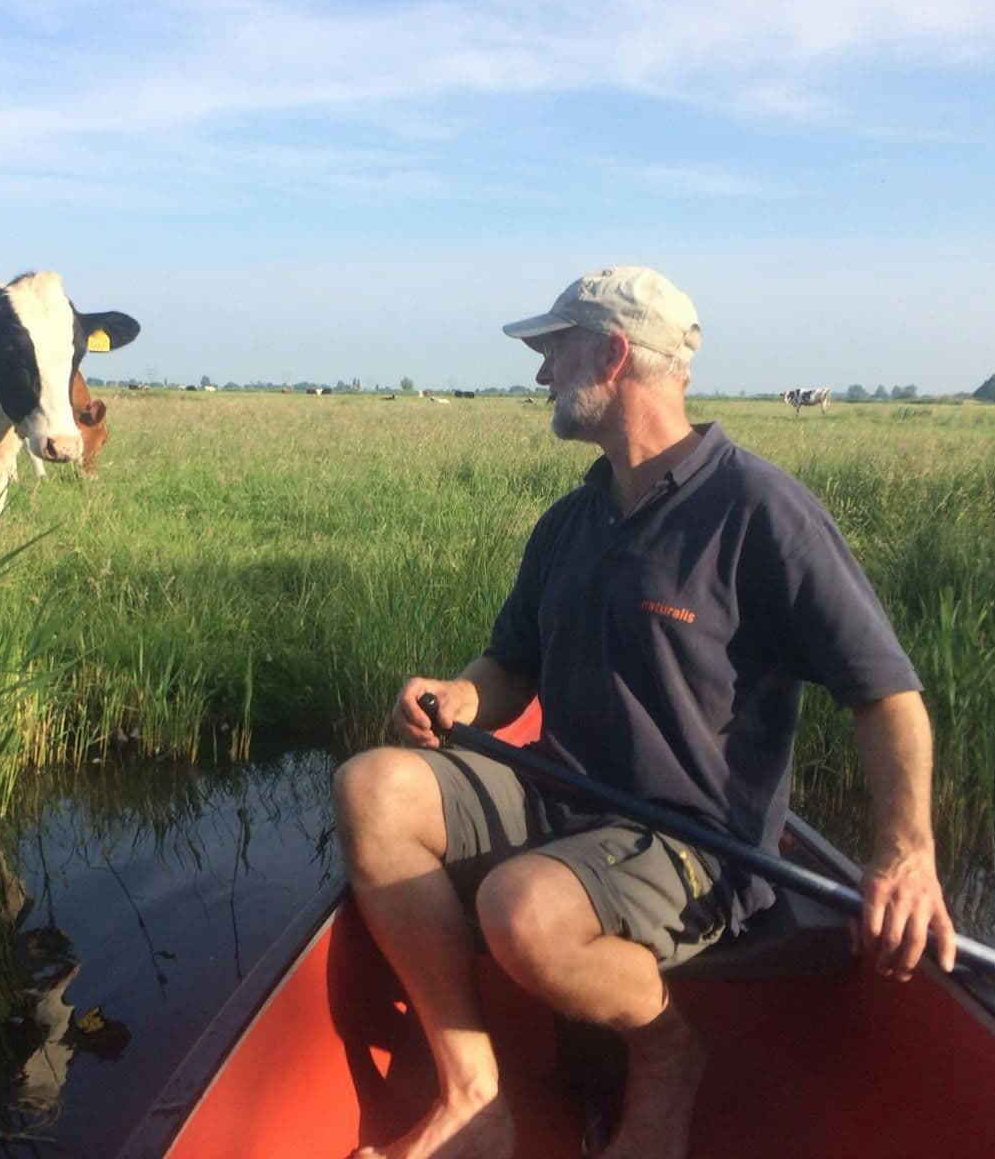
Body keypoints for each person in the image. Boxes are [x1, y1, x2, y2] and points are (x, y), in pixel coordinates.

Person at [331, 266, 956, 1159]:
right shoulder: (572, 519)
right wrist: (466, 694)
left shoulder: (759, 509)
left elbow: (884, 691)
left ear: (613, 354)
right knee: (372, 789)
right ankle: (477, 1098)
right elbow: (511, 663)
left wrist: (906, 852)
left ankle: (668, 1056)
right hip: (560, 792)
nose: (541, 374)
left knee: (522, 910)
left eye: (554, 350)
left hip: (698, 840)